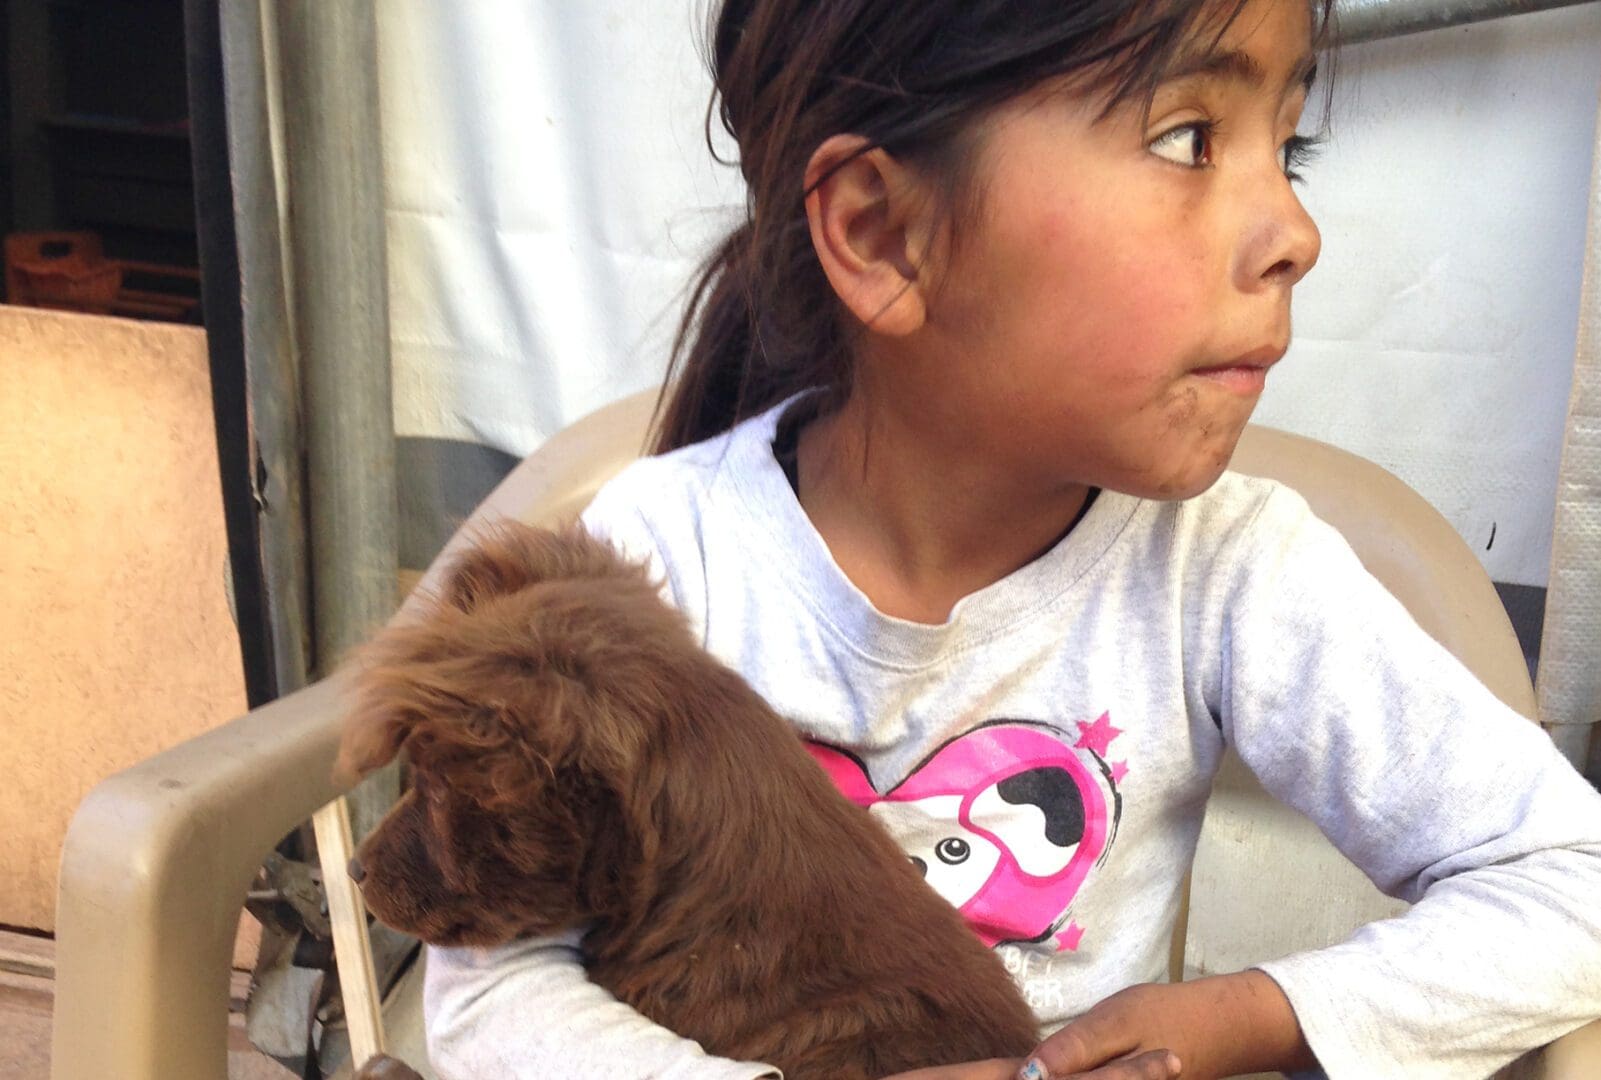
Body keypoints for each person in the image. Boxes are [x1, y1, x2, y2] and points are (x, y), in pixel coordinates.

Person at [423, 0, 1601, 1077]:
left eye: (1285, 148)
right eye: (1189, 137)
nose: (1294, 231)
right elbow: (491, 990)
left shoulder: (1227, 574)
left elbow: (1572, 882)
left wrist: (1244, 1014)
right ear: (884, 234)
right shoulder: (655, 559)